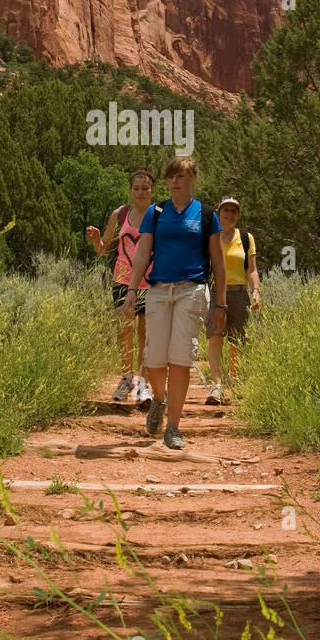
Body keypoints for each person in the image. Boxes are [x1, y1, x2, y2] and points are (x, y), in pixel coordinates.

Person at [121, 156, 227, 450]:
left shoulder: (206, 214)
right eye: (170, 177)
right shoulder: (155, 213)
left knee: (180, 358)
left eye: (180, 176)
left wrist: (221, 303)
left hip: (190, 291)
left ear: (193, 178)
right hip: (157, 290)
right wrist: (132, 289)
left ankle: (174, 427)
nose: (174, 182)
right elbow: (143, 254)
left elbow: (218, 261)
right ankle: (159, 399)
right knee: (154, 358)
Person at [86, 170, 155, 406]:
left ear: (152, 191)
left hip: (150, 281)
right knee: (124, 331)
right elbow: (104, 248)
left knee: (147, 335)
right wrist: (96, 239)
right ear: (130, 190)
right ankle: (126, 378)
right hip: (122, 280)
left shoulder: (158, 215)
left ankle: (144, 384)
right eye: (136, 188)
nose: (141, 192)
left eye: (145, 188)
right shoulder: (120, 214)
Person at [205, 196, 260, 406]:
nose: (229, 214)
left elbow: (251, 269)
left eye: (233, 211)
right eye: (226, 210)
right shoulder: (212, 237)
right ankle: (216, 385)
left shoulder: (246, 238)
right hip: (216, 291)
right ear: (219, 213)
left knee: (237, 341)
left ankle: (234, 380)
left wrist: (255, 290)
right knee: (215, 337)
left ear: (238, 215)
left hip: (239, 293)